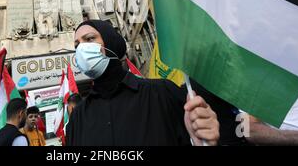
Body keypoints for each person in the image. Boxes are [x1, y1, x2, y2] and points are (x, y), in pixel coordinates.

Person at [67, 20, 220, 146]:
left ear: (110, 42)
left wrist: (203, 139)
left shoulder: (161, 94)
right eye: (76, 45)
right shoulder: (78, 118)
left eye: (89, 39)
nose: (81, 48)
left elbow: (198, 136)